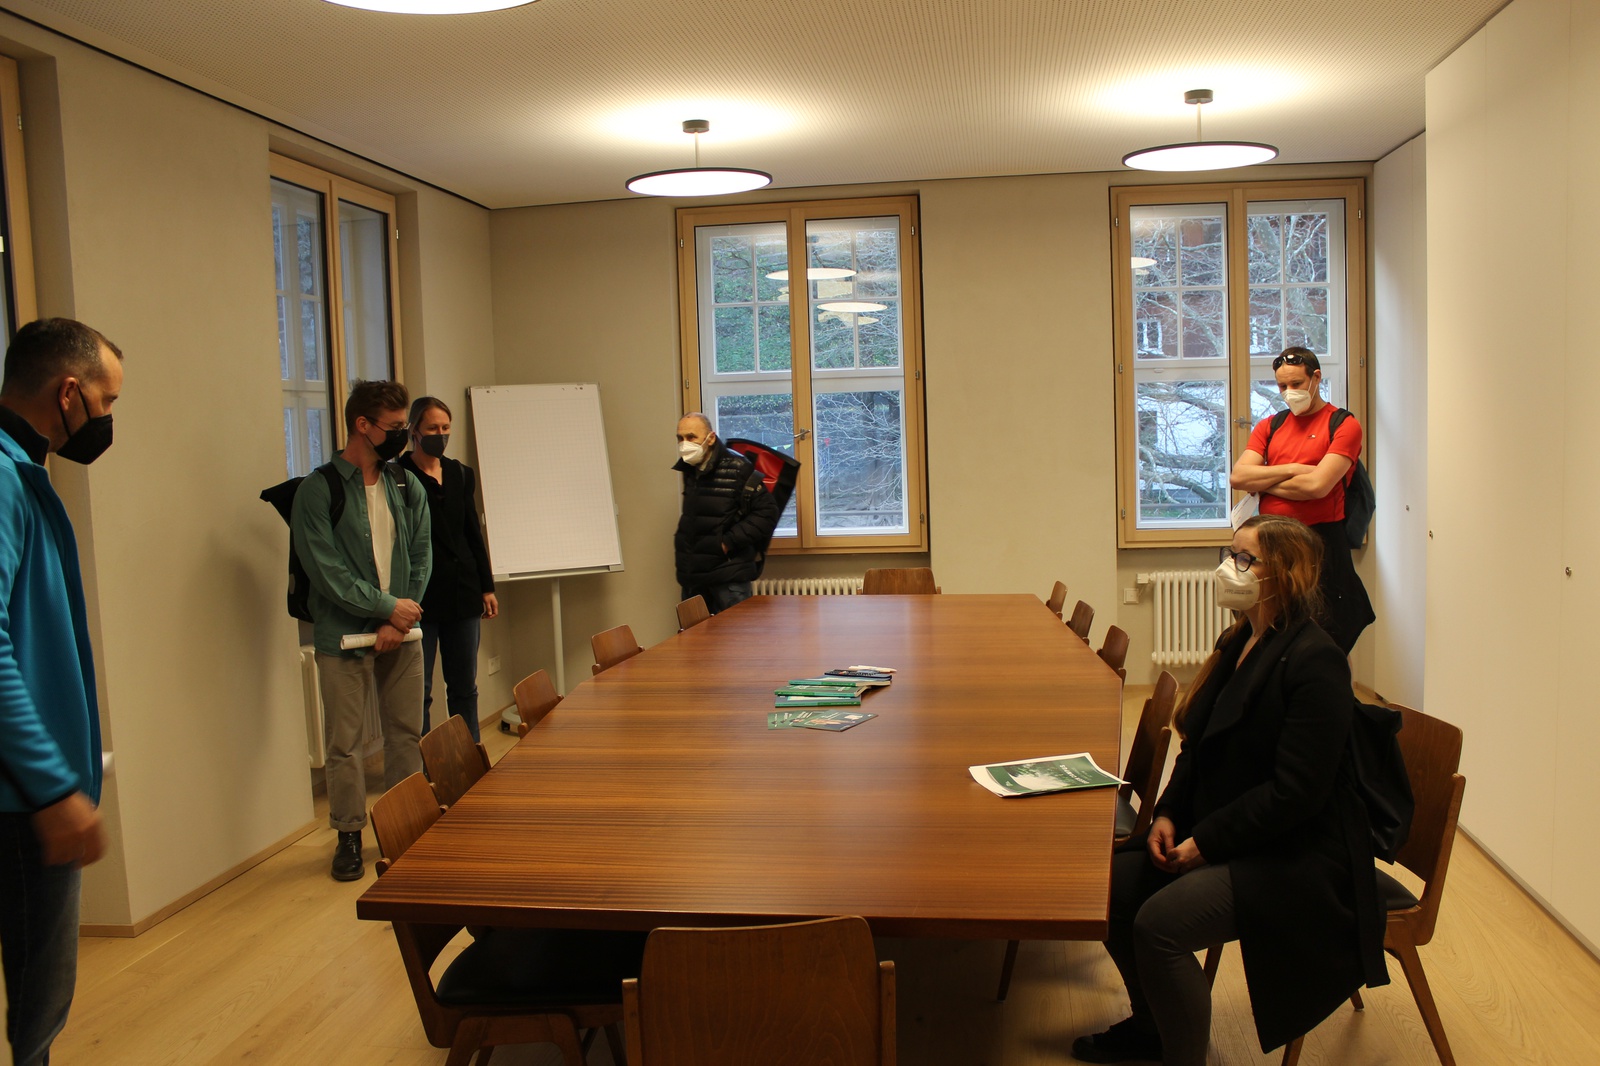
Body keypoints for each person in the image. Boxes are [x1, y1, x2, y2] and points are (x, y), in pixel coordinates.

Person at [1071, 514, 1385, 1066]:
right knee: (1106, 890)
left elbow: (1297, 794)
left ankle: (1182, 1055)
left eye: (1244, 559)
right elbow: (1198, 749)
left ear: (1284, 574)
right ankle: (1152, 1029)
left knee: (1159, 926)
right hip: (1230, 828)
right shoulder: (1238, 638)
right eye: (1229, 554)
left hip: (1294, 852)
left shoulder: (1317, 660)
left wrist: (1208, 842)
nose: (1227, 569)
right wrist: (1167, 814)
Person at [0, 318, 122, 1066]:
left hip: (27, 789)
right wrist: (52, 787)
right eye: (107, 403)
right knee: (39, 1007)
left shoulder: (22, 471)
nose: (108, 421)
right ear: (69, 392)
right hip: (19, 797)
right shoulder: (2, 479)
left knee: (40, 1001)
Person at [292, 380, 431, 881]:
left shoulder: (406, 485)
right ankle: (349, 835)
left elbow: (421, 554)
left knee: (405, 733)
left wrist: (400, 617)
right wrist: (386, 610)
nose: (403, 437)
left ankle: (405, 827)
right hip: (342, 637)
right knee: (345, 745)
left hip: (403, 634)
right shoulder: (318, 490)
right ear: (362, 425)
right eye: (394, 428)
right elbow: (326, 572)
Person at [1228, 346, 1375, 653]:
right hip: (1272, 543)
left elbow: (1318, 486)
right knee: (1268, 634)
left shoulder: (1343, 424)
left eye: (1296, 383)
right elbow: (1239, 477)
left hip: (1321, 545)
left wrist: (1265, 482)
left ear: (1316, 378)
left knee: (1327, 641)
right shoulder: (1270, 426)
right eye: (1282, 386)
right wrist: (1294, 469)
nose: (1289, 392)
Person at [398, 396, 497, 741]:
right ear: (413, 431)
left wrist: (486, 586)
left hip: (463, 590)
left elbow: (472, 532)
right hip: (420, 597)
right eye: (432, 428)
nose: (440, 435)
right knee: (419, 691)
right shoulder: (398, 475)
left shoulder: (460, 473)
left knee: (464, 687)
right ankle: (426, 763)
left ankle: (470, 755)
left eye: (445, 428)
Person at [672, 412, 779, 614]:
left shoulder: (738, 467)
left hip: (728, 578)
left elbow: (767, 512)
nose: (685, 444)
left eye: (691, 437)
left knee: (735, 634)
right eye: (680, 438)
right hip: (694, 576)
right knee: (696, 635)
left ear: (711, 438)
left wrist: (727, 542)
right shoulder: (690, 468)